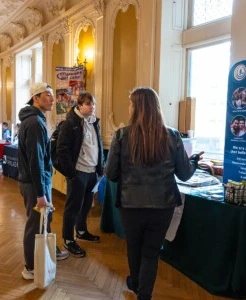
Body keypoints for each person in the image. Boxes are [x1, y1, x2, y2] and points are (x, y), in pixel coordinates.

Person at [105, 87, 202, 300]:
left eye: (131, 103)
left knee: (134, 247)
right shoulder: (173, 136)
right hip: (163, 204)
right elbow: (184, 175)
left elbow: (110, 174)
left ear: (136, 108)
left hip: (130, 204)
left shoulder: (121, 135)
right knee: (151, 251)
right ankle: (144, 295)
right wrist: (194, 161)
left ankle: (137, 283)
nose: (129, 107)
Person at [18, 82, 69, 280]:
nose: (52, 98)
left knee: (44, 218)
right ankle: (30, 266)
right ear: (35, 98)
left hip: (36, 182)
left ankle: (48, 250)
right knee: (35, 222)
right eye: (47, 94)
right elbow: (36, 161)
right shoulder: (34, 123)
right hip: (34, 184)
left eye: (52, 94)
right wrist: (41, 193)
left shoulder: (35, 120)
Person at [57, 92, 104, 258]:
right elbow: (61, 149)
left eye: (94, 104)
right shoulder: (70, 123)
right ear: (79, 106)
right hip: (78, 172)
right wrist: (71, 172)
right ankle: (68, 239)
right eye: (89, 104)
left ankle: (82, 231)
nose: (92, 107)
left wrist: (100, 168)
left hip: (92, 172)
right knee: (73, 207)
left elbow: (97, 146)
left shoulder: (94, 122)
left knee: (86, 205)